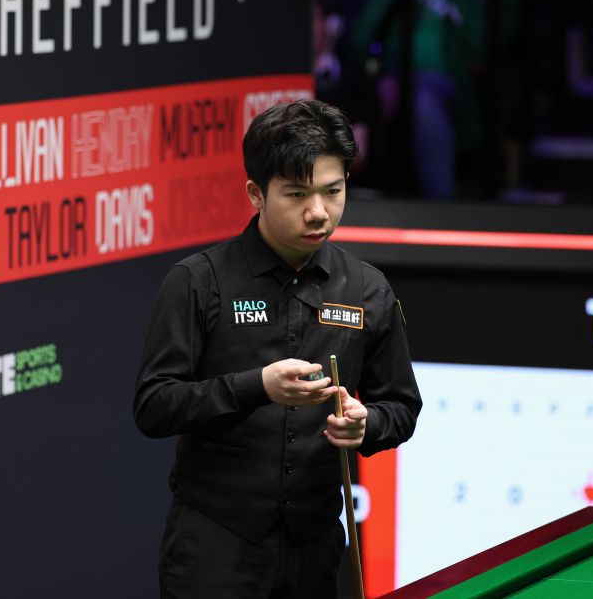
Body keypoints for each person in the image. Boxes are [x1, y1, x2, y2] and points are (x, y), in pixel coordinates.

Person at [133, 100, 422, 598]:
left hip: (315, 547)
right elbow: (154, 406)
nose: (319, 212)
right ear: (256, 194)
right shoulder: (198, 281)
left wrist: (366, 424)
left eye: (333, 191)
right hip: (215, 549)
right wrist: (257, 387)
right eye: (297, 194)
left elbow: (401, 407)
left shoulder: (367, 289)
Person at [352, 0, 522, 198]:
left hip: (465, 96)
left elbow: (485, 53)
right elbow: (365, 32)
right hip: (399, 82)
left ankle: (439, 205)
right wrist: (387, 73)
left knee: (425, 97)